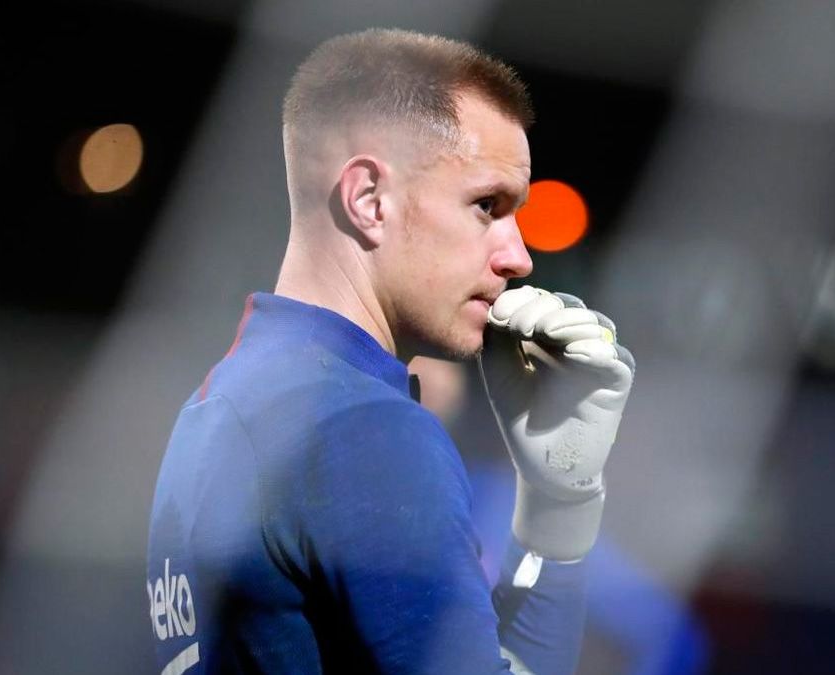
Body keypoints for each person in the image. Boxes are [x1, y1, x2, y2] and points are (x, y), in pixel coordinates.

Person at [145, 28, 635, 674]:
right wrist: (563, 512)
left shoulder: (218, 404)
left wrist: (552, 503)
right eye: (487, 205)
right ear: (369, 200)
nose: (518, 256)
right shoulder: (363, 428)